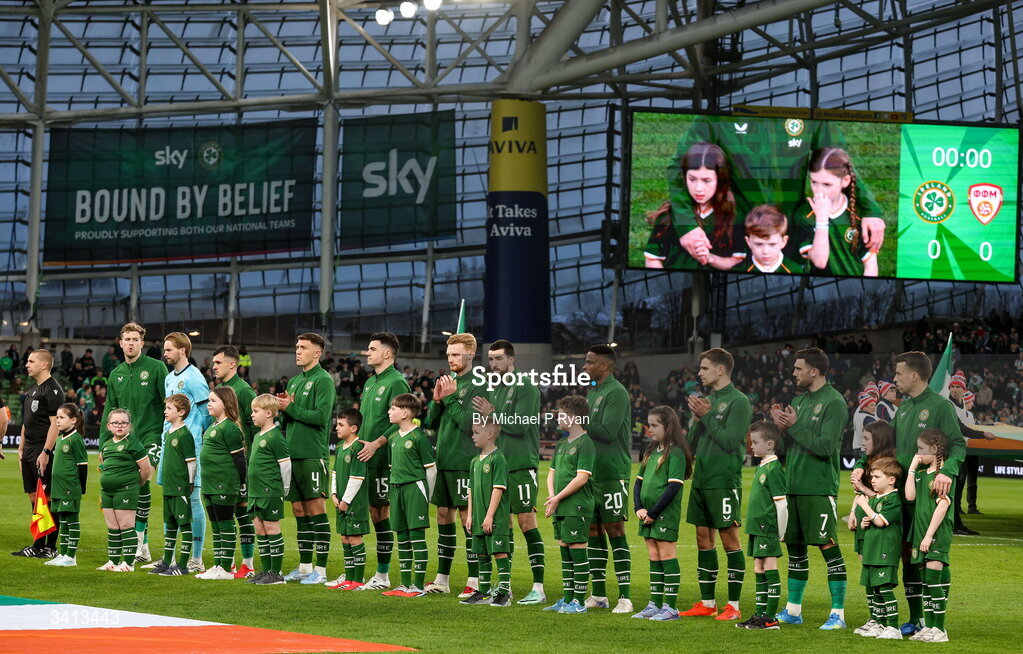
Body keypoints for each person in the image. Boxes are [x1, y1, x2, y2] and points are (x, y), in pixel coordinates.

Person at [851, 351, 965, 636]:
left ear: (914, 375)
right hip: (902, 495)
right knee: (909, 557)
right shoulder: (902, 409)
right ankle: (917, 620)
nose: (894, 378)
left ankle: (933, 622)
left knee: (933, 555)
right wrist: (864, 466)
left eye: (899, 373)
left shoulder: (940, 406)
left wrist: (946, 472)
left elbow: (958, 445)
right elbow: (886, 446)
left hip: (928, 492)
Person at [667, 117, 888, 262]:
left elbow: (839, 163)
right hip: (737, 226)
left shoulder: (811, 107)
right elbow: (681, 164)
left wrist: (870, 210)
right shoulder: (719, 111)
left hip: (792, 226)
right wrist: (686, 225)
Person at [770, 347, 849, 629]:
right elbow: (792, 445)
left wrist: (795, 425)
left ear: (814, 371)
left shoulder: (835, 403)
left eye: (798, 369)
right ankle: (793, 610)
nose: (793, 374)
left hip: (818, 487)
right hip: (792, 486)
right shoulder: (798, 401)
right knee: (795, 549)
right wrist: (779, 429)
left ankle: (838, 614)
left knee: (828, 547)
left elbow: (825, 447)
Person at [470, 339, 546, 604]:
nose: (493, 364)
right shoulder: (497, 388)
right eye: (490, 359)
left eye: (498, 359)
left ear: (512, 360)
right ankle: (506, 587)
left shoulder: (526, 386)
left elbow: (521, 426)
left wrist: (493, 412)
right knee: (503, 525)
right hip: (501, 464)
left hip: (522, 464)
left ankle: (538, 587)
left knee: (527, 524)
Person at [682, 347, 752, 621]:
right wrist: (698, 419)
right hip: (702, 480)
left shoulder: (739, 401)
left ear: (720, 370)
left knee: (729, 540)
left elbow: (729, 441)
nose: (699, 373)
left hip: (724, 481)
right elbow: (692, 443)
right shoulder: (707, 400)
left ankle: (733, 606)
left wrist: (707, 415)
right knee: (703, 540)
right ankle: (707, 602)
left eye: (704, 368)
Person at [422, 333, 485, 597]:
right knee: (443, 517)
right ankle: (442, 579)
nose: (451, 359)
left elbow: (470, 423)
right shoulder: (449, 383)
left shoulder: (479, 385)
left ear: (471, 354)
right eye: (449, 355)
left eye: (456, 354)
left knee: (467, 520)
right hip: (444, 460)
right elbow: (430, 424)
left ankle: (475, 580)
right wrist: (437, 402)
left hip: (465, 461)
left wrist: (449, 398)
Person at [101, 323, 167, 567]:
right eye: (126, 339)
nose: (130, 343)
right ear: (120, 343)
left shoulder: (156, 368)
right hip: (123, 441)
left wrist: (167, 434)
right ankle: (143, 546)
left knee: (143, 478)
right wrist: (103, 444)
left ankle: (141, 544)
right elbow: (109, 409)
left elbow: (166, 403)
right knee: (135, 487)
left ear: (142, 343)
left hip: (151, 436)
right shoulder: (115, 373)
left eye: (135, 339)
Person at [353, 332, 411, 590]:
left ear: (387, 353)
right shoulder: (369, 383)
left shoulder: (397, 382)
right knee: (369, 512)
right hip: (364, 455)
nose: (368, 352)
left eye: (372, 348)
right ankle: (360, 572)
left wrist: (377, 443)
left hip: (383, 458)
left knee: (381, 512)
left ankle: (383, 575)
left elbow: (403, 422)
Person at [278, 332, 336, 585]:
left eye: (303, 347)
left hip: (313, 454)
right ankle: (304, 567)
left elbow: (320, 417)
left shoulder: (323, 380)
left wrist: (289, 407)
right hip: (293, 455)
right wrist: (282, 410)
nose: (298, 351)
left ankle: (321, 571)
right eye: (297, 346)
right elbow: (288, 420)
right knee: (299, 510)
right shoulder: (294, 381)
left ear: (317, 353)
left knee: (315, 510)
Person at [582, 344, 634, 614]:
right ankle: (599, 594)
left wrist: (579, 419)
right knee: (593, 532)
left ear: (604, 365)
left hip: (613, 472)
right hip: (592, 472)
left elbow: (608, 432)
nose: (585, 366)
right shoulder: (593, 393)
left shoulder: (616, 392)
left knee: (615, 531)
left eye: (589, 362)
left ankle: (625, 596)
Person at [631, 405, 693, 622]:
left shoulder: (675, 453)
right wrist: (638, 507)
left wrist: (654, 513)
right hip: (646, 513)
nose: (650, 429)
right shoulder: (650, 450)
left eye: (655, 425)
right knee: (653, 556)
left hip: (663, 514)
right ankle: (655, 604)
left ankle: (670, 607)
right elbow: (638, 482)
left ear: (668, 426)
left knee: (667, 555)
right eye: (650, 425)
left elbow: (673, 487)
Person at [646, 142, 744, 270]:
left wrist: (710, 258)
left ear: (720, 179)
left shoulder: (735, 215)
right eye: (692, 179)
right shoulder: (670, 215)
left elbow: (736, 261)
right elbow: (653, 259)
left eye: (706, 181)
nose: (698, 188)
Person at [157, 332, 210, 570]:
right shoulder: (169, 378)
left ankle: (196, 558)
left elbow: (207, 412)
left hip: (189, 446)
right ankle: (169, 557)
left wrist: (201, 437)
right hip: (170, 445)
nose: (165, 353)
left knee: (193, 500)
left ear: (183, 350)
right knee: (170, 500)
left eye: (169, 349)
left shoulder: (195, 377)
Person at [542, 395, 595, 615]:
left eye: (561, 415)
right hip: (561, 505)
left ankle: (579, 602)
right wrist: (553, 496)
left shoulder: (586, 443)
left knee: (577, 550)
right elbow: (551, 473)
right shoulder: (562, 443)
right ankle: (568, 597)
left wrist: (558, 498)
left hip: (577, 506)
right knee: (565, 549)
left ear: (573, 418)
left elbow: (582, 477)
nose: (557, 419)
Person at [380, 393, 436, 598]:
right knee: (401, 536)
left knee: (416, 536)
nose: (389, 412)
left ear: (405, 413)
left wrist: (426, 496)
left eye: (392, 409)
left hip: (415, 489)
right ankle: (405, 584)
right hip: (396, 489)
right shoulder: (393, 438)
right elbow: (392, 467)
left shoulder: (418, 437)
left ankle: (418, 586)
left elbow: (431, 469)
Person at [11, 348, 64, 559]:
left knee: (47, 498)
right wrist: (21, 448)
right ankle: (38, 544)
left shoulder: (53, 390)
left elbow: (55, 425)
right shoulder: (34, 389)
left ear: (44, 364)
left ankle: (48, 546)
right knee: (34, 498)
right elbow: (27, 422)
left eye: (31, 361)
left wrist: (46, 451)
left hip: (43, 448)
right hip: (30, 449)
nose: (26, 364)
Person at [735, 421, 787, 630]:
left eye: (755, 442)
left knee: (769, 568)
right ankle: (760, 614)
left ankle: (771, 618)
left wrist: (781, 531)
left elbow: (781, 504)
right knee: (758, 568)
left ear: (770, 444)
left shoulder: (774, 468)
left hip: (767, 528)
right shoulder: (762, 466)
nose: (752, 446)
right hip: (757, 528)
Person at [212, 345, 258, 578]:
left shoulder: (244, 391)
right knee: (224, 514)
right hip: (222, 466)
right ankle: (226, 562)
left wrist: (249, 461)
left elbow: (256, 428)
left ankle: (248, 564)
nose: (214, 367)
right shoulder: (219, 389)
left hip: (241, 464)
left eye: (218, 363)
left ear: (232, 364)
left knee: (242, 513)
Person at [904, 430, 955, 643]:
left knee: (933, 577)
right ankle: (930, 626)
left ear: (934, 450)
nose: (918, 453)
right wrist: (912, 468)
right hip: (920, 532)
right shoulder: (922, 473)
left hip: (934, 533)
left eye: (921, 449)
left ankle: (940, 630)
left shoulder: (944, 475)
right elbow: (909, 496)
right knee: (926, 581)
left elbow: (943, 505)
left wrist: (928, 535)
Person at [847, 420, 897, 634]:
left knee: (877, 574)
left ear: (880, 439)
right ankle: (875, 619)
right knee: (867, 570)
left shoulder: (890, 464)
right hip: (863, 519)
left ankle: (886, 622)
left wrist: (862, 489)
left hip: (876, 523)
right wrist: (852, 511)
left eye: (866, 438)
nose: (862, 441)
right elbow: (861, 494)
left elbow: (884, 497)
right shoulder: (866, 460)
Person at [799, 147, 879, 277]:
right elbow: (819, 262)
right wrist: (822, 220)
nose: (819, 191)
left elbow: (870, 263)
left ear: (845, 181)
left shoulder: (858, 214)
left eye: (827, 185)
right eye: (814, 182)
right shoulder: (804, 215)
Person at [195, 387, 246, 581]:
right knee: (216, 526)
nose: (209, 404)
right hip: (209, 483)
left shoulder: (230, 428)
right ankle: (218, 564)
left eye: (213, 401)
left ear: (226, 403)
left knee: (225, 525)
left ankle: (225, 568)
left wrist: (241, 483)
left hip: (223, 484)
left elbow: (240, 460)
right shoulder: (214, 426)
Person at [461, 418, 512, 606]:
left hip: (494, 517)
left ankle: (504, 593)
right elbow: (471, 491)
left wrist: (489, 515)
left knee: (499, 552)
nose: (472, 436)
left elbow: (498, 489)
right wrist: (471, 515)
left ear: (489, 434)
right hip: (478, 517)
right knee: (481, 553)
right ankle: (483, 592)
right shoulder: (475, 461)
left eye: (476, 432)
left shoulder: (498, 459)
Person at [96, 408, 153, 572]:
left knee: (126, 525)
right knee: (112, 526)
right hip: (107, 492)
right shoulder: (106, 445)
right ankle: (113, 561)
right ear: (109, 426)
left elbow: (146, 469)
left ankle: (128, 563)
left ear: (129, 425)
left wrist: (135, 485)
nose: (119, 426)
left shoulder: (133, 444)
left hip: (126, 491)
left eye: (123, 423)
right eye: (115, 423)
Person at [854, 456, 904, 640]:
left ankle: (893, 627)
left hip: (885, 552)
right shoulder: (877, 499)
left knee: (884, 588)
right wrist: (866, 521)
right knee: (875, 589)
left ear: (891, 480)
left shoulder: (893, 499)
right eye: (872, 477)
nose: (872, 480)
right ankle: (879, 623)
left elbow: (881, 521)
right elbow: (874, 519)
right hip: (872, 551)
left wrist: (865, 507)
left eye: (876, 477)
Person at [245, 393, 291, 586]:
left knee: (272, 528)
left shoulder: (275, 437)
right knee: (260, 529)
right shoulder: (257, 437)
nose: (252, 415)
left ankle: (276, 573)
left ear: (269, 413)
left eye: (256, 411)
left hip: (270, 491)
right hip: (255, 492)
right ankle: (265, 571)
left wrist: (285, 488)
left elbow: (286, 465)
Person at [150, 393, 197, 576]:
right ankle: (167, 562)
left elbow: (191, 462)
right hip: (168, 487)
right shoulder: (168, 433)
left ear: (181, 412)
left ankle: (183, 566)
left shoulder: (184, 434)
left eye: (169, 408)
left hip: (179, 487)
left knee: (184, 525)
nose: (165, 411)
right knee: (170, 525)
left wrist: (190, 483)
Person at [329, 409, 370, 591]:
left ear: (353, 428)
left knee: (354, 538)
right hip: (341, 501)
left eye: (341, 425)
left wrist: (345, 501)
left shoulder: (358, 448)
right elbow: (335, 473)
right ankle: (349, 578)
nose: (336, 427)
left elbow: (357, 478)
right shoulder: (339, 448)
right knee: (345, 538)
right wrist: (334, 495)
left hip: (355, 503)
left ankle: (358, 580)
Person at [947, 376, 994, 535]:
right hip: (950, 452)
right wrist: (983, 434)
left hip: (959, 452)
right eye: (952, 386)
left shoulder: (959, 407)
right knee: (952, 488)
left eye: (957, 387)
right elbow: (962, 429)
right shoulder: (948, 405)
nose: (954, 389)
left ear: (964, 389)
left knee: (955, 488)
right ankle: (954, 525)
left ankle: (955, 524)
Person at [44, 403, 89, 567]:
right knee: (62, 521)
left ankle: (71, 556)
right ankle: (62, 554)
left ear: (73, 420)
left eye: (62, 417)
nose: (57, 421)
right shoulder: (59, 438)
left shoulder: (76, 439)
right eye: (57, 417)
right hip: (59, 487)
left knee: (72, 520)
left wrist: (81, 487)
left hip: (70, 488)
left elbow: (82, 465)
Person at [743, 205, 804, 274]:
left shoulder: (795, 269)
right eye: (759, 244)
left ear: (784, 241)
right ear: (748, 242)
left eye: (772, 244)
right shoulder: (739, 269)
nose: (765, 251)